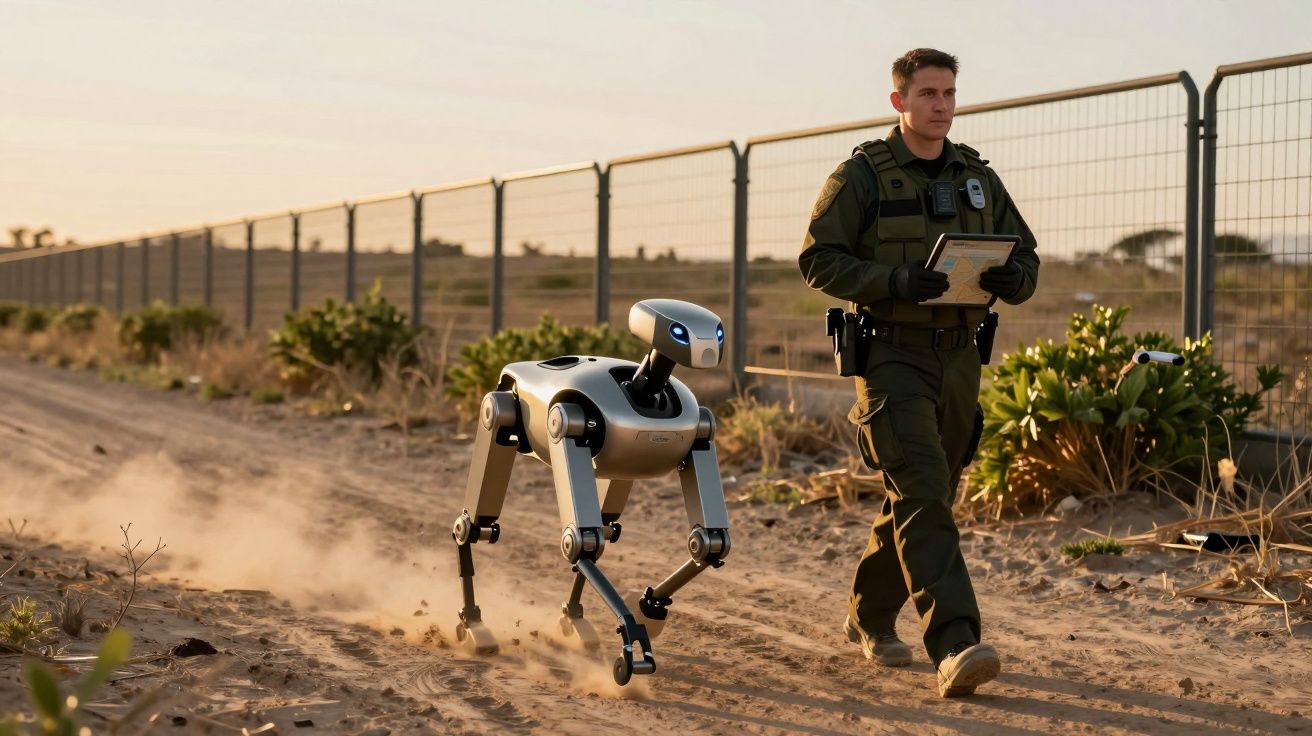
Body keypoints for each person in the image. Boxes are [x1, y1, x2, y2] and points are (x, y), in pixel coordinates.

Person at [797, 48, 1039, 698]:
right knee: (925, 489)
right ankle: (957, 644)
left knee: (924, 493)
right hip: (891, 355)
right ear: (898, 101)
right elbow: (818, 258)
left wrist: (1017, 278)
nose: (941, 105)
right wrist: (891, 279)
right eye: (927, 93)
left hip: (961, 359)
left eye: (950, 93)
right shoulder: (863, 176)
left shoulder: (976, 177)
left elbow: (1028, 254)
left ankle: (869, 615)